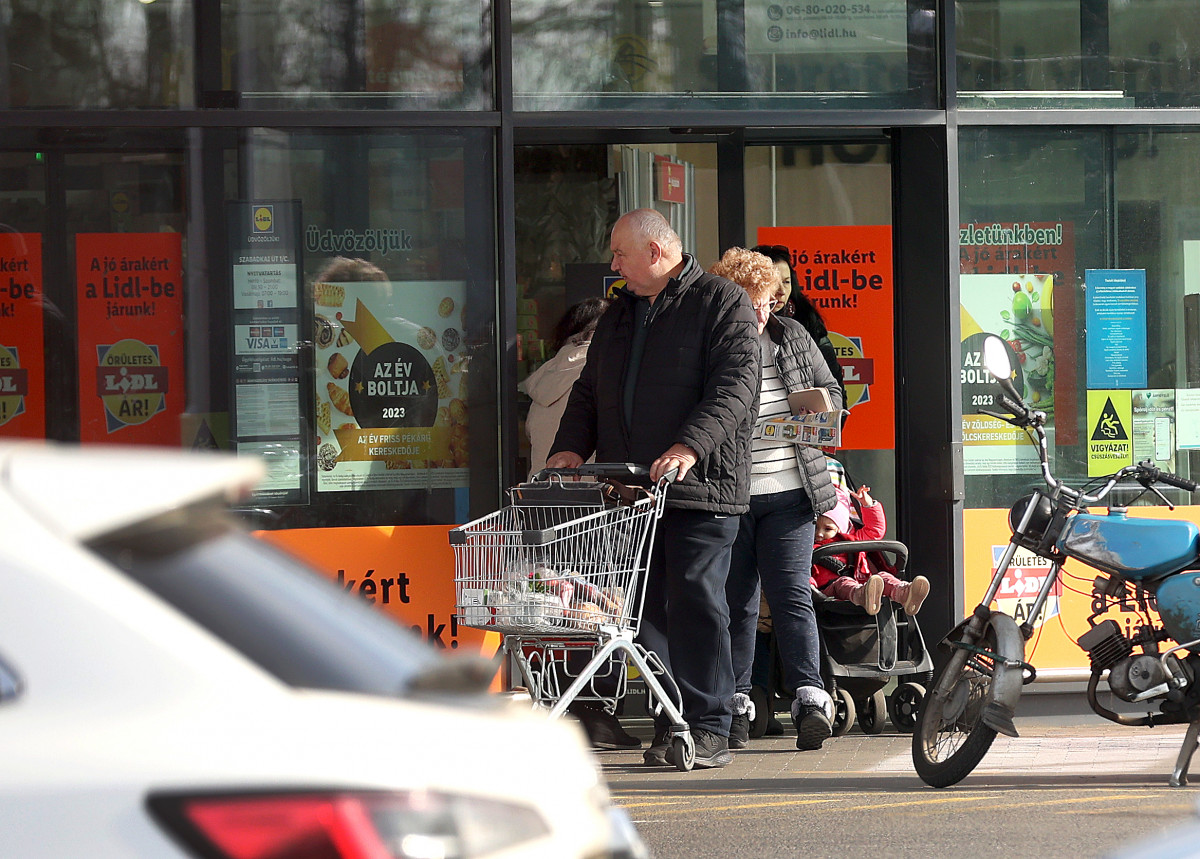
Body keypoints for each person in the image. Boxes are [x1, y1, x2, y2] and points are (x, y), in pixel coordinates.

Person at [548, 208, 760, 770]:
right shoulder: (621, 314)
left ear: (657, 253)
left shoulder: (721, 303)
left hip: (701, 489)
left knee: (697, 602)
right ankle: (674, 720)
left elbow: (735, 389)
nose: (613, 264)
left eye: (620, 254)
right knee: (644, 614)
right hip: (635, 492)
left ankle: (711, 723)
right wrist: (570, 448)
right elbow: (589, 391)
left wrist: (689, 447)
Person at [709, 247, 842, 752]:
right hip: (734, 495)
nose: (761, 311)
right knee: (736, 603)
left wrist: (818, 408)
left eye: (767, 301)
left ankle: (810, 698)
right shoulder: (714, 346)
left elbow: (833, 397)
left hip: (790, 492)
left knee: (791, 595)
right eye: (750, 301)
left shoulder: (795, 337)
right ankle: (738, 702)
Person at [752, 244, 847, 421]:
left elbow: (834, 389)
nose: (781, 291)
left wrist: (822, 431)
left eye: (786, 282)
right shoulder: (735, 329)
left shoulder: (803, 326)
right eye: (773, 282)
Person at [520, 297, 611, 478]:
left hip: (541, 491)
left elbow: (531, 433)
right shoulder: (604, 368)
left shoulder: (545, 374)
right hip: (591, 494)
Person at [811, 485, 930, 616]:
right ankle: (862, 596)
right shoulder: (809, 546)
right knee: (844, 583)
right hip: (829, 590)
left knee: (883, 576)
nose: (820, 534)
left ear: (840, 527)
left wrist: (868, 505)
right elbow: (802, 572)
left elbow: (875, 530)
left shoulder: (853, 538)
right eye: (815, 527)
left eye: (827, 529)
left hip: (868, 583)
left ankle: (904, 593)